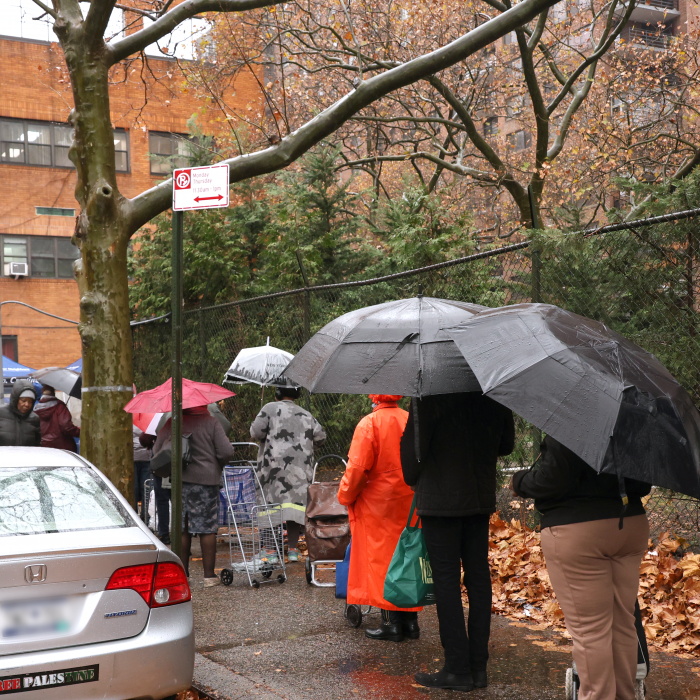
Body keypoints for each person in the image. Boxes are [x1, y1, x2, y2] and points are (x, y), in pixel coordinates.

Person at [511, 435, 651, 700]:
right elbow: (643, 484)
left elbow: (553, 479)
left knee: (591, 630)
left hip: (578, 530)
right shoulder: (630, 420)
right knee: (623, 621)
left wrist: (519, 481)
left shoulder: (574, 418)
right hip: (629, 524)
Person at [401, 392, 515, 693]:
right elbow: (507, 444)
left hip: (440, 504)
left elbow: (410, 463)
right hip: (478, 498)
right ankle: (478, 668)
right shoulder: (492, 391)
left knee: (447, 582)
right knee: (479, 579)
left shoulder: (428, 395)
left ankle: (457, 668)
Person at [338, 394, 421, 642]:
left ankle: (390, 623)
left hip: (378, 507)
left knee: (383, 562)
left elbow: (357, 469)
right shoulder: (410, 420)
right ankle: (411, 621)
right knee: (407, 558)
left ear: (375, 397)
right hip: (409, 501)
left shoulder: (369, 424)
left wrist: (344, 495)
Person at [153, 405, 234, 587]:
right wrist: (215, 462)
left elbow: (157, 449)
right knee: (207, 528)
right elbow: (227, 451)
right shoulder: (211, 423)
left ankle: (183, 575)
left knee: (182, 527)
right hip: (207, 481)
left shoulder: (172, 423)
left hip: (180, 480)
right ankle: (209, 577)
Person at [250, 386, 326, 562]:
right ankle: (292, 550)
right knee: (294, 508)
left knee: (269, 507)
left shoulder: (268, 408)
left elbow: (255, 432)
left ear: (277, 394)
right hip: (299, 472)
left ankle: (270, 551)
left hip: (271, 470)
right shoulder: (306, 414)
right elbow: (321, 437)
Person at [34, 384, 81, 451]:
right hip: (62, 447)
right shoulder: (60, 407)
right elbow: (66, 426)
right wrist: (79, 432)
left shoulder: (36, 409)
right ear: (54, 393)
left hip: (44, 448)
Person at [0, 380, 40, 447]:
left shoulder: (34, 418)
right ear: (15, 399)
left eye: (30, 402)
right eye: (23, 401)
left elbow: (38, 444)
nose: (27, 404)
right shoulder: (1, 413)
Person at [133, 423, 152, 517]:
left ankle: (136, 516)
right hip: (145, 456)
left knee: (140, 489)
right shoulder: (150, 418)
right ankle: (145, 517)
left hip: (142, 457)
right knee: (144, 488)